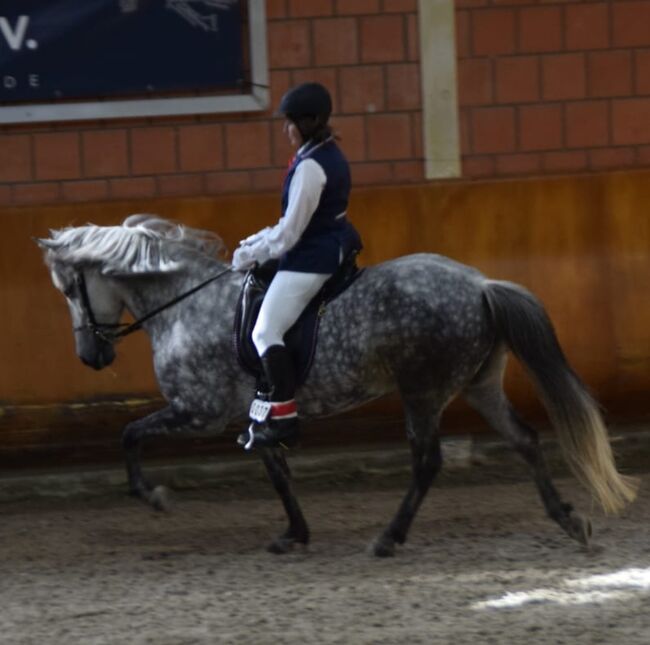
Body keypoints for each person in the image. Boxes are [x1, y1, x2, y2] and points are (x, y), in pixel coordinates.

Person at [231, 82, 362, 449]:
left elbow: (290, 235)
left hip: (312, 257)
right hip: (326, 243)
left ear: (309, 122)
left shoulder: (311, 168)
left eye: (290, 122)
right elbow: (288, 224)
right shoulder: (323, 152)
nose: (285, 130)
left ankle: (284, 416)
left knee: (264, 332)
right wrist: (254, 243)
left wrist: (249, 255)